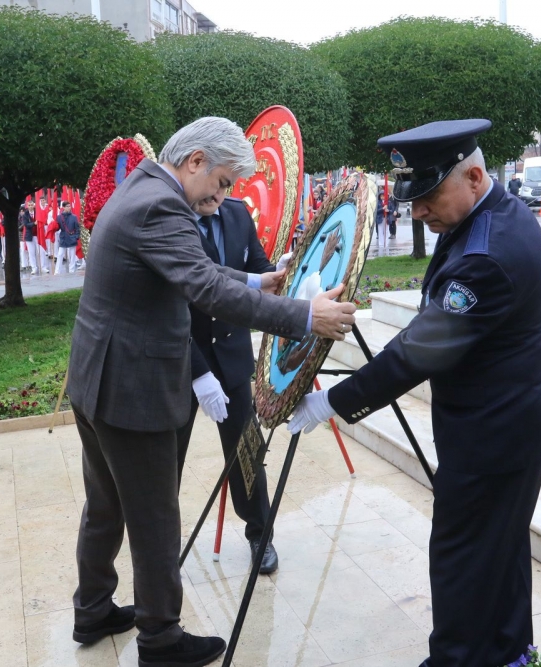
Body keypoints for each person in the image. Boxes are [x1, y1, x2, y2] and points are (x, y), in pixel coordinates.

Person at [66, 116, 357, 667]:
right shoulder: (162, 205)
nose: (223, 196)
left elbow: (188, 267)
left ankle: (93, 610)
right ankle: (160, 639)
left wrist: (254, 280)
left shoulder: (144, 187)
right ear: (195, 161)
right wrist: (302, 314)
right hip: (132, 391)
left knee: (105, 507)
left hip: (98, 381)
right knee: (154, 517)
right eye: (223, 182)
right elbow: (199, 286)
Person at [289, 119, 541, 667]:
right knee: (499, 560)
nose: (416, 211)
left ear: (474, 175)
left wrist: (330, 404)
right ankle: (507, 655)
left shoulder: (487, 256)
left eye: (428, 196)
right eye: (411, 198)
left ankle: (458, 659)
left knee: (462, 563)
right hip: (507, 430)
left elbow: (419, 352)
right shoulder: (488, 217)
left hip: (493, 441)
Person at [175, 195, 295, 576]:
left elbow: (254, 267)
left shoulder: (237, 212)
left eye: (228, 183)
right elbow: (172, 299)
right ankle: (161, 547)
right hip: (181, 358)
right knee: (166, 461)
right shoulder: (170, 217)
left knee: (247, 451)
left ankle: (260, 532)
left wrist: (279, 270)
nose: (220, 193)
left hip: (230, 354)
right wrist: (197, 372)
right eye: (218, 181)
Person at [22, 199, 46, 275]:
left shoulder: (38, 213)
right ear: (27, 206)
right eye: (29, 205)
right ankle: (34, 268)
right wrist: (34, 223)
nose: (30, 206)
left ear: (34, 205)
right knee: (31, 253)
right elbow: (26, 225)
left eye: (32, 205)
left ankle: (43, 267)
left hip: (38, 235)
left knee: (41, 252)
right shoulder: (25, 215)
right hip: (30, 236)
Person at [55, 200, 80, 274]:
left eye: (70, 206)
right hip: (63, 238)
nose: (69, 208)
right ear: (63, 207)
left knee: (72, 255)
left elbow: (77, 228)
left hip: (72, 237)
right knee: (60, 255)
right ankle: (57, 271)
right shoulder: (59, 217)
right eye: (67, 206)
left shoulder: (74, 217)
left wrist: (76, 237)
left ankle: (71, 270)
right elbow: (57, 227)